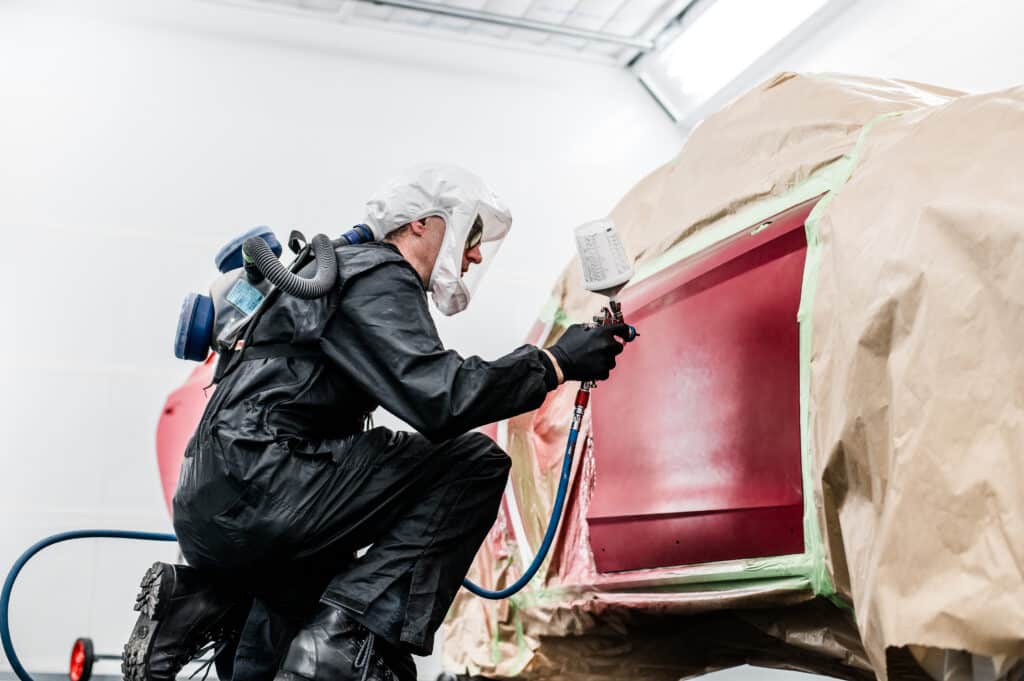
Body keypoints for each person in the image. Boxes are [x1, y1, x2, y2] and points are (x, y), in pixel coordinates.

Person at [123, 165, 634, 681]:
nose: (475, 254)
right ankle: (349, 636)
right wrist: (555, 363)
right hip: (271, 488)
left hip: (211, 508)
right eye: (471, 234)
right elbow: (441, 399)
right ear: (421, 224)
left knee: (287, 638)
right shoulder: (377, 273)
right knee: (472, 462)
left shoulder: (320, 278)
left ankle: (197, 606)